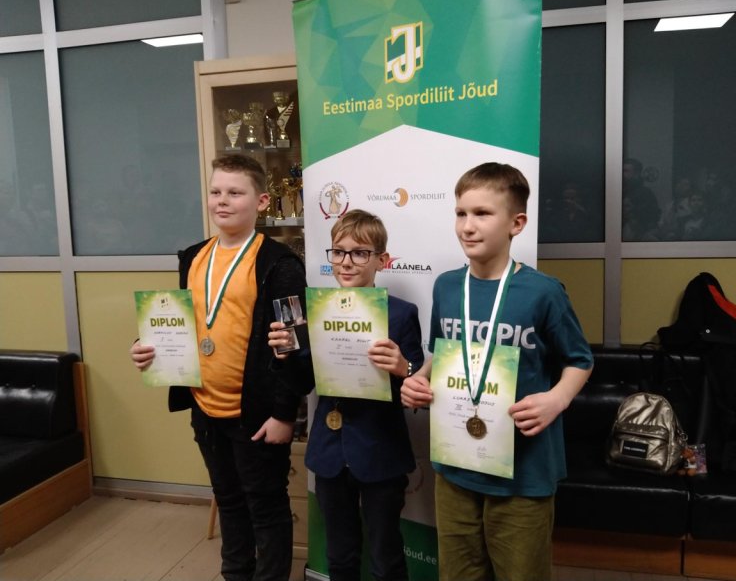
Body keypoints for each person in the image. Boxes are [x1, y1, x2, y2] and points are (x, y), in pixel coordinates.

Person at [400, 163, 593, 581]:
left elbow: (580, 360)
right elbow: (440, 355)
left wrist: (557, 399)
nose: (467, 226)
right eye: (460, 213)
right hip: (456, 470)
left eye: (482, 214)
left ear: (516, 223)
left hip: (522, 475)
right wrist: (420, 378)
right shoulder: (447, 286)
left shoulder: (543, 292)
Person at [130, 154, 313, 581]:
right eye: (216, 192)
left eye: (235, 192)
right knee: (228, 501)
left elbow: (295, 344)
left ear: (262, 201)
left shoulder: (280, 264)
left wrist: (284, 413)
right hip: (205, 407)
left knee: (266, 506)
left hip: (257, 415)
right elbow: (186, 323)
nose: (222, 201)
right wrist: (147, 345)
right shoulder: (194, 257)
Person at [270, 209, 424, 581]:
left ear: (382, 260)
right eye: (338, 252)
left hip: (380, 450)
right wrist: (284, 355)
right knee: (339, 556)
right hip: (330, 452)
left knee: (386, 557)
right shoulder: (313, 311)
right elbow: (302, 382)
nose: (347, 262)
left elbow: (417, 387)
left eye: (360, 253)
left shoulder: (401, 314)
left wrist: (403, 367)